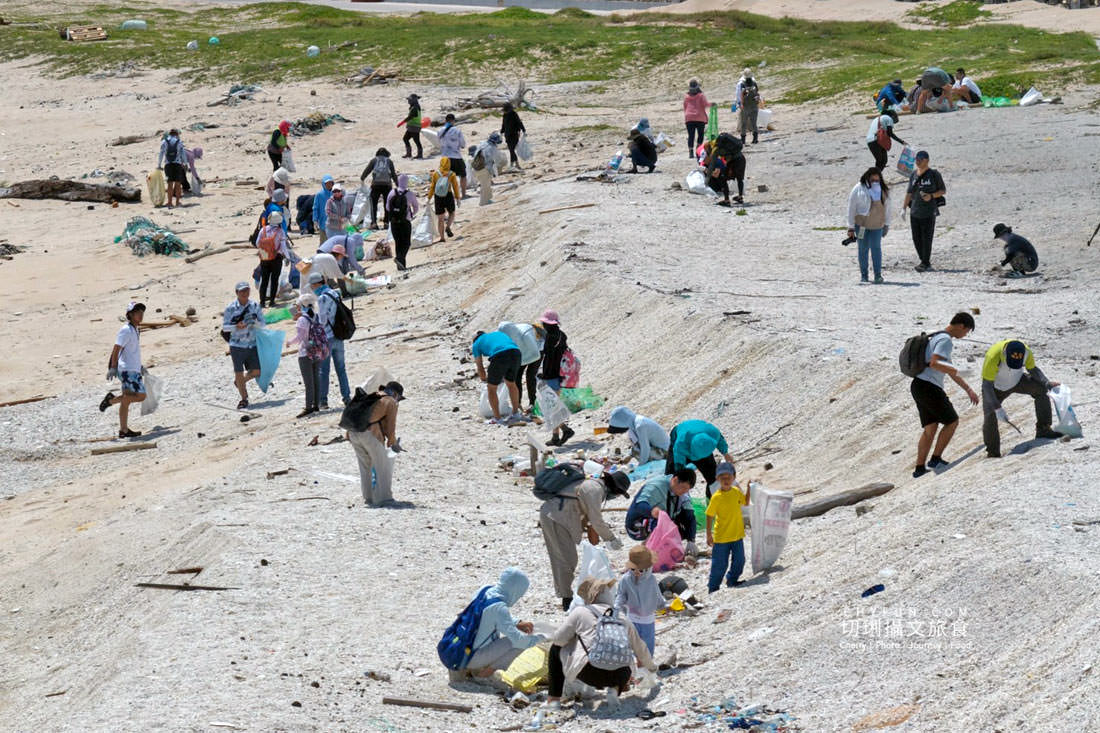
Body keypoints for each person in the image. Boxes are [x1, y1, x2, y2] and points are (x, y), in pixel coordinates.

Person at [544, 577, 657, 712]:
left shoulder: (581, 612)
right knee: (620, 655)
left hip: (590, 673)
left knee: (556, 649)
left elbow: (559, 640)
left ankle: (553, 700)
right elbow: (641, 649)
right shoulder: (621, 616)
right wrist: (652, 668)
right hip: (621, 675)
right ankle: (614, 690)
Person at [540, 470, 629, 612]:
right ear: (615, 488)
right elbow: (596, 519)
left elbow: (588, 516)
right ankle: (566, 599)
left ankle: (566, 595)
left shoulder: (593, 486)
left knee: (567, 558)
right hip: (555, 517)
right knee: (565, 559)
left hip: (559, 516)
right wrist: (611, 538)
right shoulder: (595, 489)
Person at [909, 312, 979, 478]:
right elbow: (936, 363)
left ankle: (919, 469)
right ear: (961, 326)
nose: (965, 335)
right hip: (929, 387)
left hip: (918, 385)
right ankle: (936, 459)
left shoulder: (935, 336)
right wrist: (957, 370)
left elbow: (946, 369)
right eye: (967, 331)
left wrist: (967, 388)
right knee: (952, 421)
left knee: (930, 428)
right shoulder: (945, 340)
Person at [981, 340, 1062, 458]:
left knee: (1040, 389)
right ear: (1004, 353)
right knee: (990, 415)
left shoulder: (1027, 352)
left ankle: (1043, 429)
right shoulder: (993, 355)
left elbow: (1033, 369)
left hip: (1017, 381)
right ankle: (993, 452)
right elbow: (986, 385)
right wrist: (997, 407)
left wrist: (1047, 383)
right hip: (995, 387)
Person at [458, 568, 543, 679]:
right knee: (520, 642)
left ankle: (475, 669)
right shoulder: (499, 608)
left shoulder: (484, 590)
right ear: (515, 590)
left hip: (458, 649)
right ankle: (484, 676)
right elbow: (518, 640)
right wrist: (541, 638)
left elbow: (492, 614)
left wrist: (518, 623)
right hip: (471, 657)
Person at [347, 380, 405, 506]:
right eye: (399, 398)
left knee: (365, 466)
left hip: (353, 432)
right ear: (396, 394)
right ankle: (384, 498)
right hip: (370, 434)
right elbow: (391, 426)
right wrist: (393, 443)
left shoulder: (371, 396)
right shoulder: (390, 401)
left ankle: (368, 497)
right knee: (381, 465)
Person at [100, 302, 148, 438]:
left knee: (127, 399)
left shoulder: (135, 330)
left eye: (141, 312)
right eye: (137, 312)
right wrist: (113, 367)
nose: (140, 314)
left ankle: (124, 430)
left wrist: (140, 367)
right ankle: (110, 401)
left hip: (133, 369)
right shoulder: (126, 330)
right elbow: (117, 349)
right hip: (127, 371)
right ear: (130, 315)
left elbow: (131, 351)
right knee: (140, 396)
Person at [625, 469, 698, 551]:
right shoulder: (655, 486)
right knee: (660, 522)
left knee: (681, 530)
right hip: (637, 526)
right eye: (683, 488)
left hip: (663, 519)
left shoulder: (683, 493)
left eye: (687, 490)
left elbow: (690, 516)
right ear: (675, 480)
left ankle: (660, 545)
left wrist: (691, 540)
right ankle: (648, 550)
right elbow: (638, 506)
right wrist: (651, 511)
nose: (684, 492)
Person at [705, 462, 749, 593]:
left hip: (737, 535)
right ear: (717, 479)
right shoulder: (716, 497)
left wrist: (749, 489)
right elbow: (709, 515)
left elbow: (745, 502)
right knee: (719, 564)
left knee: (740, 561)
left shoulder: (736, 491)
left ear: (734, 478)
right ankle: (713, 588)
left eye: (728, 477)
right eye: (722, 477)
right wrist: (708, 534)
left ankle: (732, 580)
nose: (725, 480)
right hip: (721, 537)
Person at [310, 272, 351, 409]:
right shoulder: (334, 293)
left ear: (316, 284)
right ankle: (346, 397)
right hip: (339, 335)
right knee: (341, 369)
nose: (312, 289)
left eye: (312, 286)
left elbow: (322, 320)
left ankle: (323, 400)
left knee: (324, 370)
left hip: (327, 337)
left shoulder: (321, 298)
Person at [615, 546, 666, 655]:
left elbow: (657, 595)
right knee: (633, 645)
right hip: (632, 618)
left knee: (648, 646)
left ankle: (647, 667)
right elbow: (621, 595)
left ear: (647, 568)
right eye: (633, 569)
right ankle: (635, 667)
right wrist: (617, 609)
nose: (637, 572)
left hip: (648, 619)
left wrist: (662, 605)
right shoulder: (626, 579)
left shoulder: (651, 579)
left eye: (641, 570)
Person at [664, 419, 734, 498]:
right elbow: (678, 463)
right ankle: (673, 502)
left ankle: (712, 501)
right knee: (672, 478)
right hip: (681, 445)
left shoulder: (713, 433)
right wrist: (680, 473)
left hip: (702, 445)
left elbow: (720, 441)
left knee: (713, 477)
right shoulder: (681, 444)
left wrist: (726, 453)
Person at [846, 167, 893, 284]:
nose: (875, 182)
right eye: (872, 179)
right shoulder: (858, 188)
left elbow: (888, 208)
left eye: (877, 179)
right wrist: (850, 227)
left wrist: (887, 224)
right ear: (867, 177)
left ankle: (878, 275)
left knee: (876, 248)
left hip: (877, 225)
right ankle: (864, 276)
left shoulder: (883, 190)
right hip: (861, 225)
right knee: (862, 249)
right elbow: (851, 208)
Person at [222, 282, 264, 410]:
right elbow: (225, 327)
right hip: (237, 345)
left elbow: (263, 324)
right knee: (238, 372)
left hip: (252, 344)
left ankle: (240, 383)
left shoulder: (255, 305)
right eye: (242, 291)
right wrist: (236, 326)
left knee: (257, 371)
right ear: (237, 293)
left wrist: (254, 323)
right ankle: (244, 398)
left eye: (246, 290)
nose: (244, 293)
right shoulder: (230, 308)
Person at [903, 151, 946, 272]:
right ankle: (923, 260)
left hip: (929, 211)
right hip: (915, 211)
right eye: (916, 159)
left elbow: (943, 190)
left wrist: (931, 196)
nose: (917, 161)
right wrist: (903, 208)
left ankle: (925, 262)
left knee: (926, 238)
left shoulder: (934, 174)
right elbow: (909, 193)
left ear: (927, 160)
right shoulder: (913, 175)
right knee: (916, 238)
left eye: (920, 159)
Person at [538, 309, 574, 446]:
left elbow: (549, 357)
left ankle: (565, 430)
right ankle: (556, 436)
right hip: (561, 374)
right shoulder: (562, 335)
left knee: (552, 407)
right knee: (554, 405)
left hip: (551, 375)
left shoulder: (550, 337)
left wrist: (544, 374)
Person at [473, 330, 523, 424]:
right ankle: (515, 413)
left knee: (491, 388)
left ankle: (497, 418)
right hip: (516, 353)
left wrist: (484, 380)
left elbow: (480, 366)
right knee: (511, 383)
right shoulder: (497, 334)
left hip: (500, 355)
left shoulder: (476, 344)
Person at [285, 293, 323, 418]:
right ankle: (316, 404)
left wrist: (289, 342)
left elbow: (300, 337)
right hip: (317, 350)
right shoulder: (316, 316)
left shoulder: (302, 319)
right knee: (316, 378)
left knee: (308, 382)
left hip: (305, 352)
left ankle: (308, 407)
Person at [499, 320, 541, 411]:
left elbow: (536, 355)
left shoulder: (525, 334)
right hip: (522, 354)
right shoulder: (504, 335)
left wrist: (517, 363)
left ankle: (532, 403)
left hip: (537, 351)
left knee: (530, 376)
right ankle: (517, 404)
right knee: (516, 377)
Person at [255, 209, 292, 307]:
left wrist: (265, 249)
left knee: (264, 280)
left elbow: (257, 243)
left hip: (264, 258)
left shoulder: (263, 230)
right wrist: (287, 258)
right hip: (276, 258)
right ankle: (272, 301)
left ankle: (262, 302)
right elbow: (283, 247)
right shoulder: (280, 232)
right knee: (274, 280)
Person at [387, 174, 419, 271]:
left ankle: (401, 267)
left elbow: (387, 207)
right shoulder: (410, 194)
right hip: (405, 221)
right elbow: (416, 207)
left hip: (394, 222)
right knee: (406, 243)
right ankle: (400, 259)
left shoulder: (392, 192)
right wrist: (411, 214)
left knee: (398, 243)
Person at [360, 148, 398, 230]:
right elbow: (393, 174)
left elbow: (367, 170)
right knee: (387, 204)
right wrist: (398, 184)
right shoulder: (389, 161)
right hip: (387, 185)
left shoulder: (374, 160)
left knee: (373, 204)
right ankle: (386, 222)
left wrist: (362, 178)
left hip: (375, 185)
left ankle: (374, 223)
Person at [703, 135, 745, 206]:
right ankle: (740, 197)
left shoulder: (715, 150)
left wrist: (706, 180)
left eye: (707, 151)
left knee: (723, 178)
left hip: (734, 162)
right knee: (739, 178)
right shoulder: (721, 143)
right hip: (742, 159)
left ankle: (726, 200)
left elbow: (711, 165)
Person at [428, 158, 460, 243]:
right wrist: (457, 197)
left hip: (438, 196)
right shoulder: (451, 174)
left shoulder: (435, 174)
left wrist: (429, 197)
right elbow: (455, 186)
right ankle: (448, 226)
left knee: (440, 219)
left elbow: (432, 187)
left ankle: (442, 238)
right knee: (452, 213)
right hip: (448, 195)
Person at [438, 113, 468, 199]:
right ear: (453, 121)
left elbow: (439, 143)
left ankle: (450, 196)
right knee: (463, 175)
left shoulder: (440, 131)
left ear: (445, 120)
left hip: (445, 157)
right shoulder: (457, 130)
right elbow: (462, 144)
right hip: (456, 156)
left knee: (447, 178)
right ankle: (463, 194)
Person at [157, 129, 186, 208]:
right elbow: (183, 154)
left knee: (170, 184)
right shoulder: (179, 142)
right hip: (177, 164)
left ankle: (169, 203)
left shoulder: (164, 142)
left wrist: (159, 165)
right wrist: (185, 164)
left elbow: (161, 154)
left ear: (169, 134)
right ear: (176, 134)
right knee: (178, 184)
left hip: (168, 164)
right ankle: (177, 202)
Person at [473, 132, 502, 206]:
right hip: (484, 168)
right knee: (485, 186)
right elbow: (497, 160)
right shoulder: (492, 148)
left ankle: (487, 199)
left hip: (476, 167)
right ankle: (483, 202)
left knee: (485, 185)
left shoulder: (482, 143)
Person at [683, 79, 709, 158]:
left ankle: (690, 152)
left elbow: (685, 106)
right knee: (700, 135)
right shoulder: (701, 95)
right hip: (700, 117)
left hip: (689, 117)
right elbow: (705, 105)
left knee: (691, 135)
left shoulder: (686, 96)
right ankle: (698, 150)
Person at [737, 68, 762, 144]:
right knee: (754, 123)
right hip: (754, 105)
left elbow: (741, 95)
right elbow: (757, 93)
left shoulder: (742, 84)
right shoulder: (754, 83)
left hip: (745, 106)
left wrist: (740, 104)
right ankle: (755, 139)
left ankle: (743, 140)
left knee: (743, 123)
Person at [500, 102, 526, 170]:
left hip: (514, 134)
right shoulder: (504, 115)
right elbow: (503, 124)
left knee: (511, 150)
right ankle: (514, 164)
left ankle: (515, 164)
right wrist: (502, 131)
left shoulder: (514, 114)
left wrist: (523, 130)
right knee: (511, 150)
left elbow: (519, 122)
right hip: (507, 135)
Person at [312, 175, 335, 246]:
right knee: (323, 242)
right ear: (323, 184)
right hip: (323, 222)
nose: (329, 185)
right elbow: (315, 208)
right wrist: (315, 220)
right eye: (327, 183)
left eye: (330, 183)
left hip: (334, 223)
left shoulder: (335, 194)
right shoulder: (319, 195)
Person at [400, 94, 423, 160]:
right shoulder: (415, 107)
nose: (408, 101)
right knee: (405, 139)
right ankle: (409, 154)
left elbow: (410, 117)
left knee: (416, 141)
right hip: (412, 127)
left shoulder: (415, 108)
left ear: (413, 101)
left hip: (414, 127)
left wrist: (402, 122)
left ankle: (419, 154)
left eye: (409, 100)